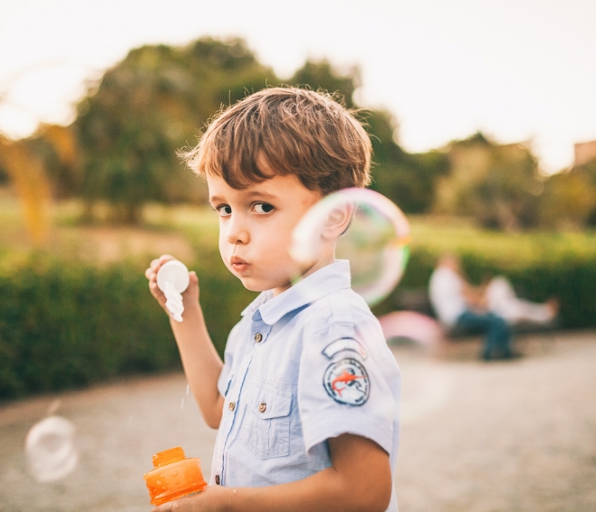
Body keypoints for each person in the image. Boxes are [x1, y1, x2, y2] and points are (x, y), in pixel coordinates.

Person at [145, 88, 400, 512]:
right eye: (223, 208)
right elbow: (215, 408)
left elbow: (364, 491)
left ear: (334, 215)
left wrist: (227, 504)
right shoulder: (260, 322)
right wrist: (185, 312)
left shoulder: (331, 326)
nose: (234, 232)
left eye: (260, 206)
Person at [428, 253, 515, 360]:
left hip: (452, 317)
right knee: (497, 321)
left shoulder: (438, 276)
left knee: (497, 319)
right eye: (456, 262)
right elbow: (471, 296)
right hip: (458, 317)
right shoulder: (449, 276)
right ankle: (490, 354)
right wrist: (484, 286)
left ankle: (503, 352)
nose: (458, 265)